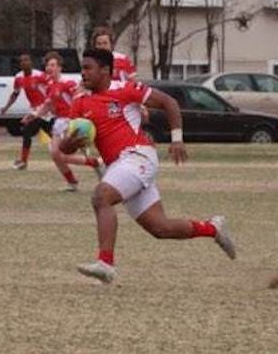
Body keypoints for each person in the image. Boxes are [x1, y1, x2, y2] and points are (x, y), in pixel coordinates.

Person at [60, 49, 236, 284]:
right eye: (82, 68)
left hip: (137, 156)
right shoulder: (80, 103)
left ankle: (106, 263)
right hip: (118, 166)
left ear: (105, 70)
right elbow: (65, 147)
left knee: (102, 196)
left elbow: (169, 102)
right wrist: (70, 142)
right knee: (160, 228)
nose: (83, 73)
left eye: (88, 67)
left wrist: (177, 139)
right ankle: (213, 228)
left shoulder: (125, 90)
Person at [22, 51, 101, 191]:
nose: (49, 68)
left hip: (72, 122)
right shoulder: (51, 86)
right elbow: (47, 106)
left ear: (59, 67)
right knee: (56, 154)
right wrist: (33, 115)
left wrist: (83, 110)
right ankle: (75, 179)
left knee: (61, 153)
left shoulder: (67, 83)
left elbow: (79, 96)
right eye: (47, 65)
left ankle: (97, 168)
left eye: (52, 65)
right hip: (59, 122)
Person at [1, 52, 52, 170]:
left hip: (45, 109)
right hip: (34, 110)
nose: (25, 63)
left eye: (27, 60)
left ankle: (24, 161)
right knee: (29, 131)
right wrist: (6, 107)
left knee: (33, 130)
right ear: (20, 64)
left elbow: (52, 87)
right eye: (22, 61)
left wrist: (51, 104)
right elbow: (15, 93)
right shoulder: (19, 77)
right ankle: (24, 161)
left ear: (31, 62)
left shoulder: (39, 75)